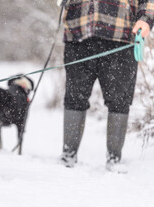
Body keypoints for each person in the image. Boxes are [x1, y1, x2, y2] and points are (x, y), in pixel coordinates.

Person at [59, 0, 154, 172]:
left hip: (121, 35)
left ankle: (114, 159)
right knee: (74, 97)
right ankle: (68, 156)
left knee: (120, 100)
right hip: (78, 32)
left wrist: (146, 18)